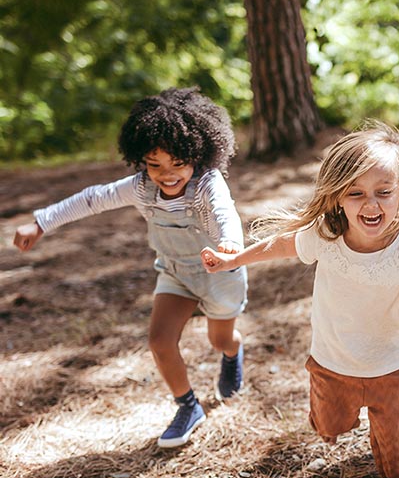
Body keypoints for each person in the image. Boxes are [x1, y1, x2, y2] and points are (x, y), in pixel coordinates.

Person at [201, 123, 399, 478]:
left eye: (384, 193)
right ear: (337, 198)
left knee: (395, 435)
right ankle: (331, 423)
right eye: (356, 194)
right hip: (332, 362)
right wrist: (236, 258)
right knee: (329, 424)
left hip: (391, 366)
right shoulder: (327, 234)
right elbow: (281, 244)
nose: (371, 205)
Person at [13, 87, 247, 448]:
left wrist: (230, 243)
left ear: (197, 155)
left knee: (220, 338)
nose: (166, 175)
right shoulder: (141, 189)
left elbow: (224, 214)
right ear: (141, 159)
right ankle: (188, 406)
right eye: (155, 165)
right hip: (175, 273)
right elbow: (92, 199)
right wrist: (41, 223)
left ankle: (232, 354)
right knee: (159, 340)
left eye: (177, 164)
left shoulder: (207, 185)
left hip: (220, 271)